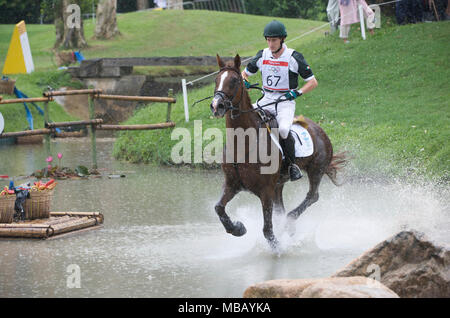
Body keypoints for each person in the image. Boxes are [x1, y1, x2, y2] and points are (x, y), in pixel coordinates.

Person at [241, 20, 318, 181]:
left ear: (282, 39)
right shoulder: (262, 55)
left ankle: (292, 165)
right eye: (268, 40)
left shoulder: (294, 57)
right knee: (245, 117)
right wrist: (245, 81)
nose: (270, 44)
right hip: (266, 99)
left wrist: (297, 93)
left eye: (274, 40)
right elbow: (244, 73)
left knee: (283, 130)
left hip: (285, 102)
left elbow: (313, 82)